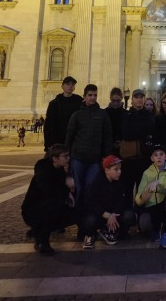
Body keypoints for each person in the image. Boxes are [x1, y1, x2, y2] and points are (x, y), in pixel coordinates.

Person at [65, 84, 113, 236]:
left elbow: (107, 137)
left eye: (95, 95)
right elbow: (69, 137)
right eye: (90, 95)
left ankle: (90, 224)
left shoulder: (102, 114)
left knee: (91, 192)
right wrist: (67, 158)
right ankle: (81, 225)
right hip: (78, 158)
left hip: (94, 160)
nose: (92, 98)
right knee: (79, 191)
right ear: (84, 96)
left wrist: (106, 157)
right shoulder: (77, 115)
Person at [21, 144, 76, 256]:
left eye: (68, 155)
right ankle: (42, 241)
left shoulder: (60, 169)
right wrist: (66, 187)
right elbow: (49, 191)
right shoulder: (43, 170)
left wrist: (69, 190)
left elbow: (59, 190)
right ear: (55, 159)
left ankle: (37, 232)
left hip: (46, 205)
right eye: (65, 156)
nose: (68, 159)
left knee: (72, 211)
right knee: (53, 207)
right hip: (33, 209)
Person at [82, 155, 134, 249]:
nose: (119, 172)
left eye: (120, 169)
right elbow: (90, 202)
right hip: (101, 214)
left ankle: (111, 231)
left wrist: (114, 214)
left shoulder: (120, 181)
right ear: (107, 170)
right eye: (116, 169)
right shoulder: (96, 182)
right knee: (89, 221)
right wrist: (106, 214)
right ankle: (90, 235)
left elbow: (122, 200)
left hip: (114, 214)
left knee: (129, 215)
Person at [135, 143, 166, 249]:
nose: (159, 157)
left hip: (165, 206)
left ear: (165, 156)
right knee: (144, 224)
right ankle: (156, 229)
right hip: (151, 206)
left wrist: (159, 182)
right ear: (152, 158)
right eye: (156, 155)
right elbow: (138, 198)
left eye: (161, 154)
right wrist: (144, 195)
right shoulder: (147, 173)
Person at [119, 89, 156, 206]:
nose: (139, 99)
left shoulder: (149, 115)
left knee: (142, 188)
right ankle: (128, 212)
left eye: (141, 97)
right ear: (132, 99)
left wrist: (137, 130)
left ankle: (141, 212)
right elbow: (126, 134)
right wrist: (142, 132)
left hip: (143, 158)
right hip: (129, 158)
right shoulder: (126, 115)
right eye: (136, 97)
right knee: (127, 188)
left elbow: (151, 131)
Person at [44, 76, 83, 151]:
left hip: (74, 139)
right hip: (58, 138)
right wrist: (47, 143)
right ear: (62, 86)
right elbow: (48, 124)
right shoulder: (54, 103)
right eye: (68, 84)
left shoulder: (79, 101)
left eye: (72, 84)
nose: (70, 86)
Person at [105, 87, 127, 155]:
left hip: (123, 145)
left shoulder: (126, 113)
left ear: (121, 98)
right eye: (113, 101)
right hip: (109, 145)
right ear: (110, 99)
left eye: (118, 101)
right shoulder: (105, 113)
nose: (115, 103)